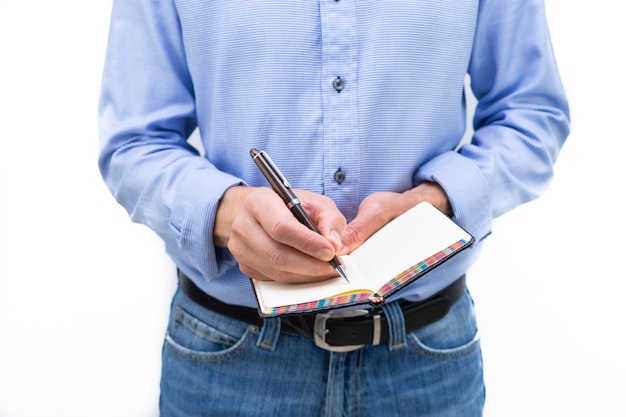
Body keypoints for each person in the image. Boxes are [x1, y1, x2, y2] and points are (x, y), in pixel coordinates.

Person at [98, 0, 569, 415]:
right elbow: (134, 143)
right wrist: (229, 211)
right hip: (230, 359)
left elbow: (532, 114)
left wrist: (434, 203)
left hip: (427, 359)